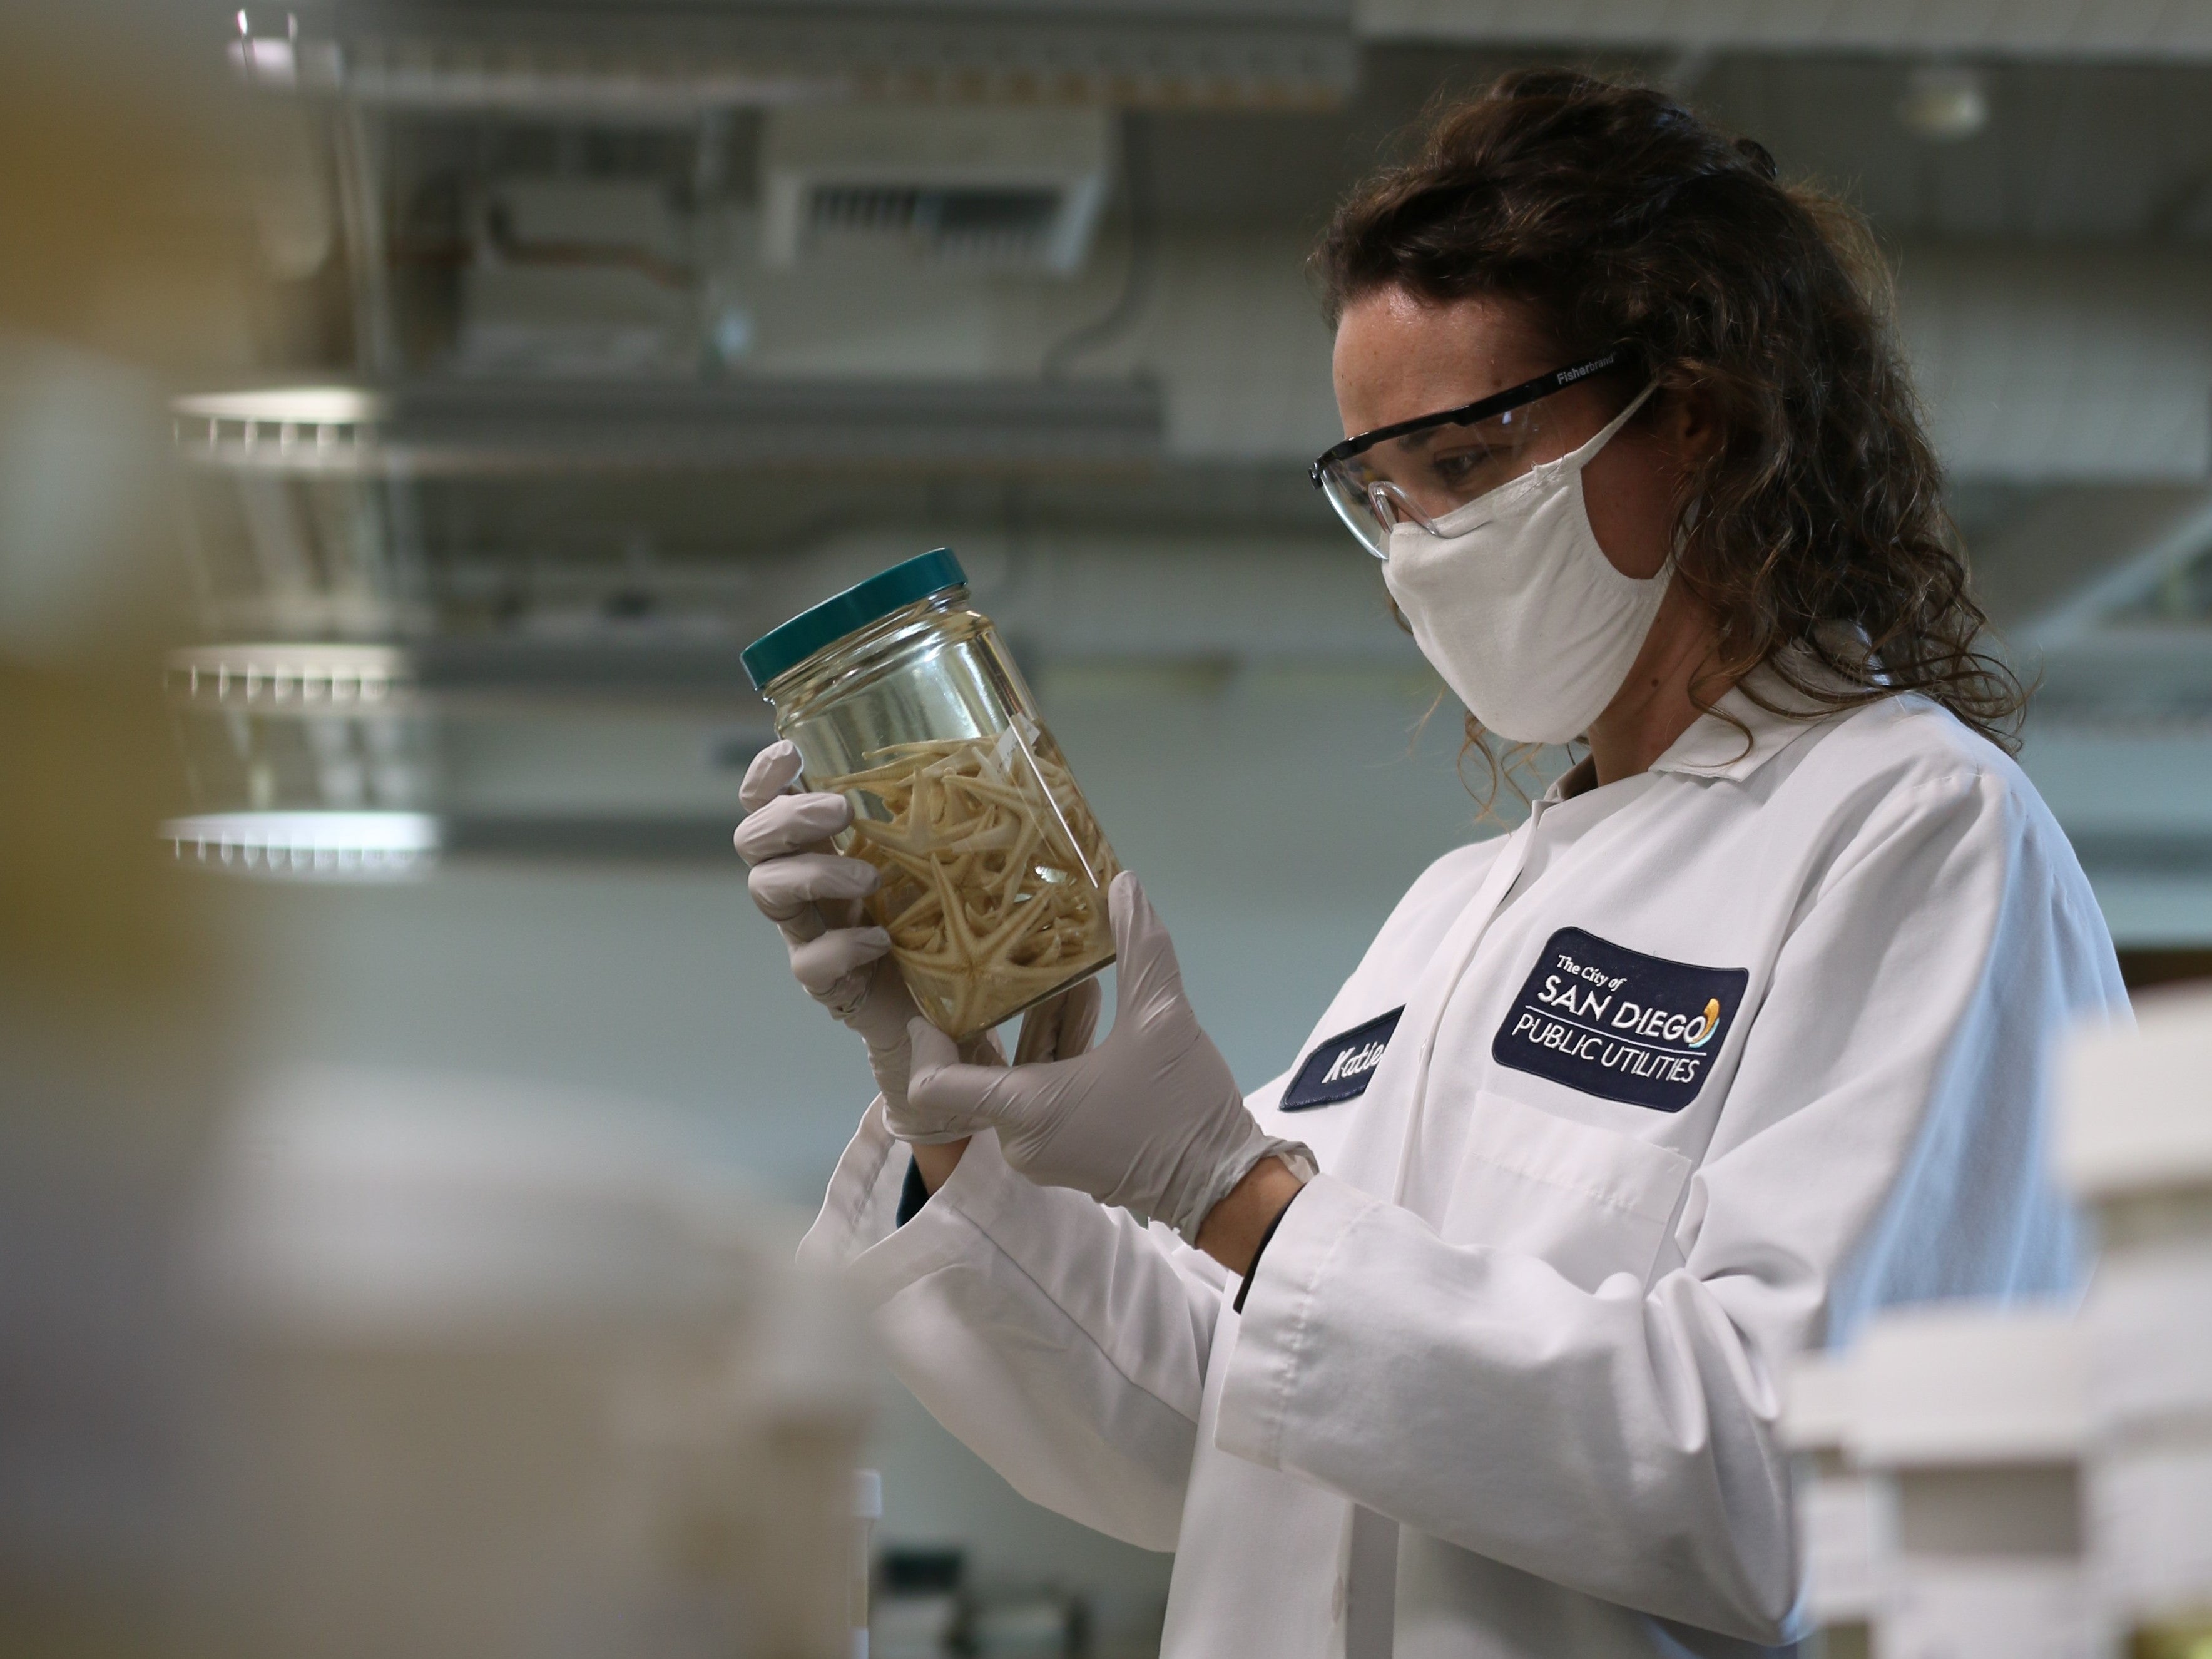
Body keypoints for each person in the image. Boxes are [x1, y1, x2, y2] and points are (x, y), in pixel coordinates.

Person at [736, 71, 2127, 1659]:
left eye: (1467, 464)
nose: (1420, 550)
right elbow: (1204, 1431)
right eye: (1379, 495)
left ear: (1695, 415)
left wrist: (1240, 1195)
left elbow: (1785, 1487)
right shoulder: (1459, 911)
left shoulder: (1914, 832)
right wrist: (952, 1126)